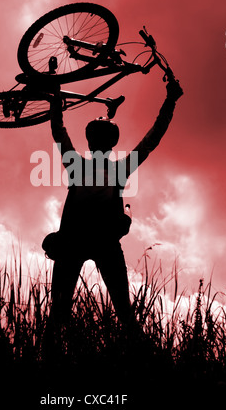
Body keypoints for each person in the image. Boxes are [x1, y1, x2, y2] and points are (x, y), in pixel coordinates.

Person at [44, 78, 183, 328]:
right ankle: (136, 353)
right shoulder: (119, 170)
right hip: (104, 242)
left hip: (74, 241)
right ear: (112, 144)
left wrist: (55, 99)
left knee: (59, 312)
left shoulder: (77, 166)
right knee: (123, 312)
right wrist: (170, 101)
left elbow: (58, 130)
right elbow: (152, 139)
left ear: (89, 142)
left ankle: (51, 357)